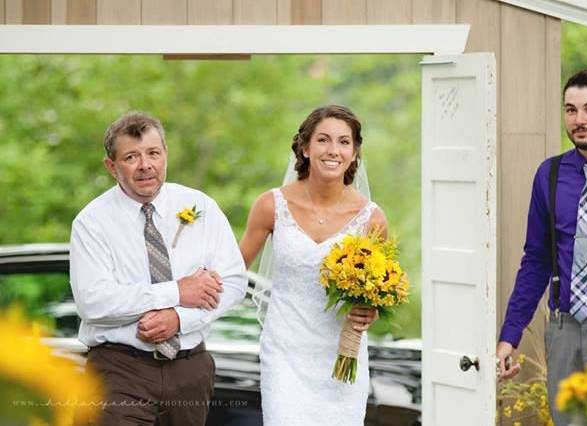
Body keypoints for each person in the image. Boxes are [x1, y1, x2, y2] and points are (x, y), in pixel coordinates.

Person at [70, 111, 247, 425]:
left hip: (191, 368)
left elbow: (233, 282)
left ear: (165, 154)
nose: (145, 165)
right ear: (111, 166)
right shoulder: (91, 222)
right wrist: (177, 291)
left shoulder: (200, 207)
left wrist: (178, 318)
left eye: (153, 153)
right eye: (131, 157)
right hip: (119, 370)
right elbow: (94, 302)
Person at [496, 70, 587, 425]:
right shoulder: (550, 174)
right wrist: (510, 335)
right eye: (571, 110)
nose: (580, 120)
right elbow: (536, 261)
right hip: (562, 328)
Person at [239, 105, 385, 425]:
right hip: (285, 356)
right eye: (323, 140)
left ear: (355, 152)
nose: (333, 150)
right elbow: (232, 273)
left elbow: (378, 291)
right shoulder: (270, 205)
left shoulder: (371, 218)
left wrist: (370, 310)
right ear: (305, 148)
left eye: (344, 142)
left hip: (341, 359)